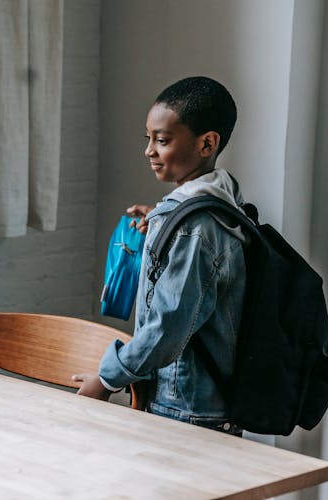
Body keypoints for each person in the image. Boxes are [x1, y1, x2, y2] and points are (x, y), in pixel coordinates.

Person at [73, 76, 248, 436]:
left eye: (162, 140)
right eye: (149, 139)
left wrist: (106, 380)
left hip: (187, 409)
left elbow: (168, 326)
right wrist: (161, 223)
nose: (149, 151)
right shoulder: (220, 202)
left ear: (207, 143)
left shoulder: (193, 228)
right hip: (203, 404)